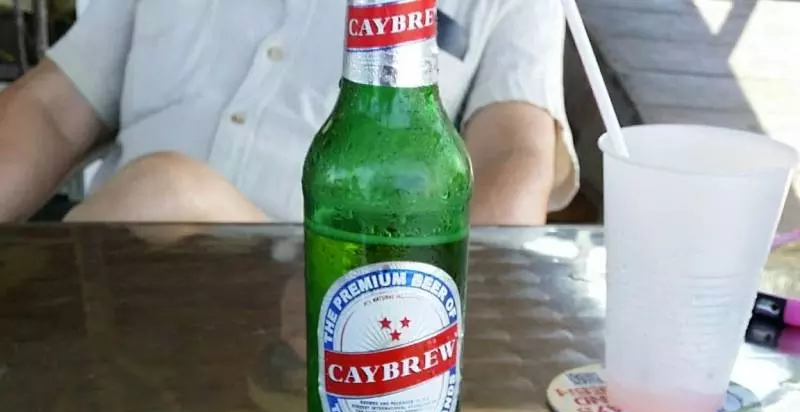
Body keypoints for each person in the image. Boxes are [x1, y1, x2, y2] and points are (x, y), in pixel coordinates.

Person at [0, 1, 578, 227]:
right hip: (118, 285)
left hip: (340, 315)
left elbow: (512, 158)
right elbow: (53, 109)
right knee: (160, 195)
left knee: (165, 193)